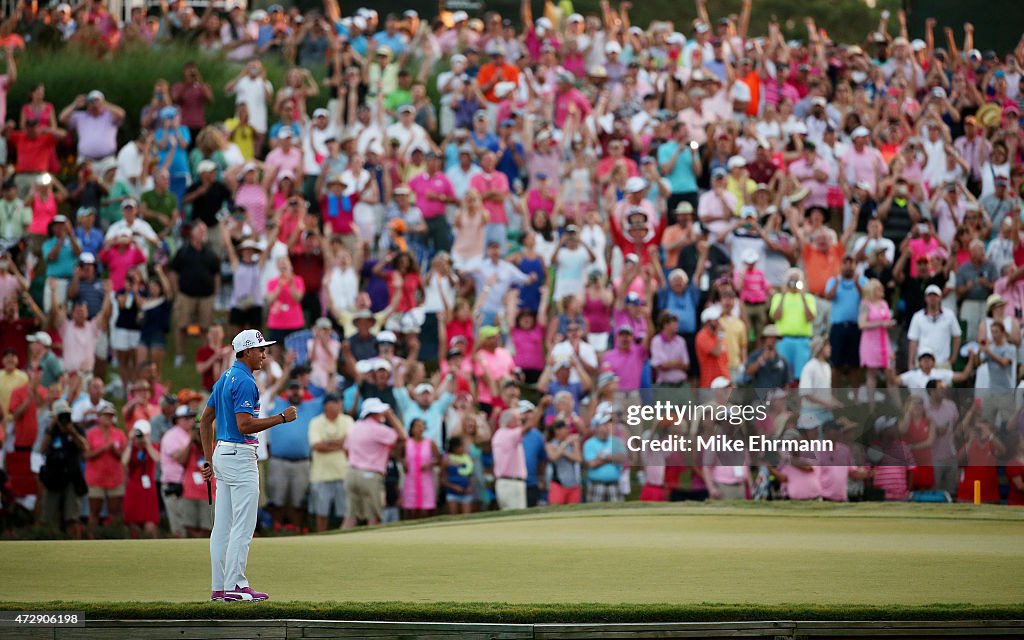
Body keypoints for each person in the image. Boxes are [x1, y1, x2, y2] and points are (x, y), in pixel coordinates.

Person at [199, 329, 298, 603]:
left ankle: (220, 587)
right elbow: (245, 425)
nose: (264, 354)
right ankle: (236, 586)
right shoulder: (244, 381)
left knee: (222, 527)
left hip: (223, 453)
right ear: (245, 352)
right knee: (243, 525)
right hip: (240, 455)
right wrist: (281, 418)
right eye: (260, 349)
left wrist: (208, 458)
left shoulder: (224, 378)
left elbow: (205, 421)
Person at [341, 397, 406, 529]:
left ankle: (337, 547)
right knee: (373, 517)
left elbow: (346, 450)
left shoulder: (355, 427)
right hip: (370, 476)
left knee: (351, 516)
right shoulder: (378, 429)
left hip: (351, 473)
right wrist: (391, 415)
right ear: (376, 413)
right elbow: (403, 436)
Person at [307, 393, 352, 532]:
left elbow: (350, 443)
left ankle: (344, 538)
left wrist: (327, 443)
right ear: (327, 405)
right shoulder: (316, 422)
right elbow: (316, 446)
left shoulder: (348, 420)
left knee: (346, 513)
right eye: (336, 403)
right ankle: (321, 538)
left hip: (343, 473)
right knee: (321, 513)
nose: (339, 406)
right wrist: (339, 442)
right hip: (321, 475)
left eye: (340, 403)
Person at [83, 401, 127, 537]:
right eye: (105, 415)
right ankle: (91, 540)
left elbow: (124, 457)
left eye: (111, 416)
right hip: (96, 478)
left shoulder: (119, 434)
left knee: (115, 512)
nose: (108, 418)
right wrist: (103, 449)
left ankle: (115, 539)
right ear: (99, 417)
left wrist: (114, 451)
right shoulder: (91, 434)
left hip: (115, 478)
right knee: (94, 512)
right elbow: (86, 455)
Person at [582, 414, 627, 503]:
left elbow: (623, 458)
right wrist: (612, 458)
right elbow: (592, 464)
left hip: (614, 483)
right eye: (604, 425)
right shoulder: (589, 443)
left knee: (618, 512)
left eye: (608, 425)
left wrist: (602, 458)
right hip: (596, 484)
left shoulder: (616, 441)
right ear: (596, 427)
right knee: (594, 513)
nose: (607, 427)